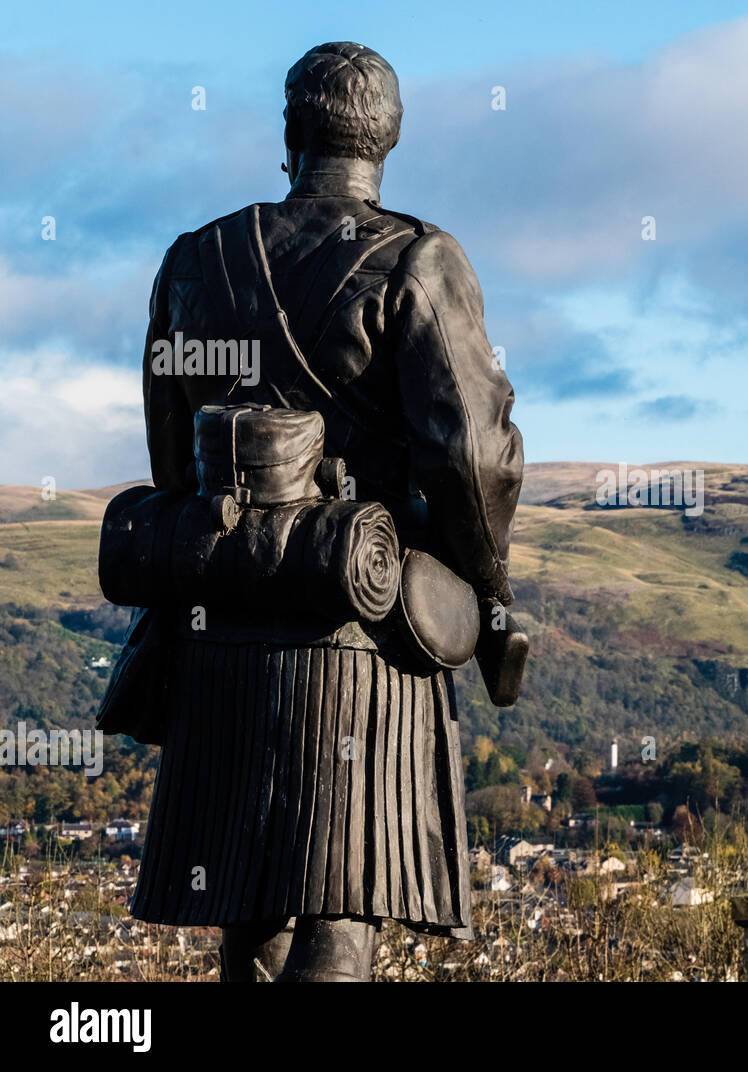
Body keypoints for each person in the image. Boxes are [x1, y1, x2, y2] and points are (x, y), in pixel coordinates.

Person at [124, 42, 523, 981]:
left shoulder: (194, 262)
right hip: (361, 630)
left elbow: (171, 452)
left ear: (291, 136)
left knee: (247, 921)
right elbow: (474, 458)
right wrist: (490, 593)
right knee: (342, 918)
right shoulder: (420, 260)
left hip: (220, 635)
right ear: (386, 143)